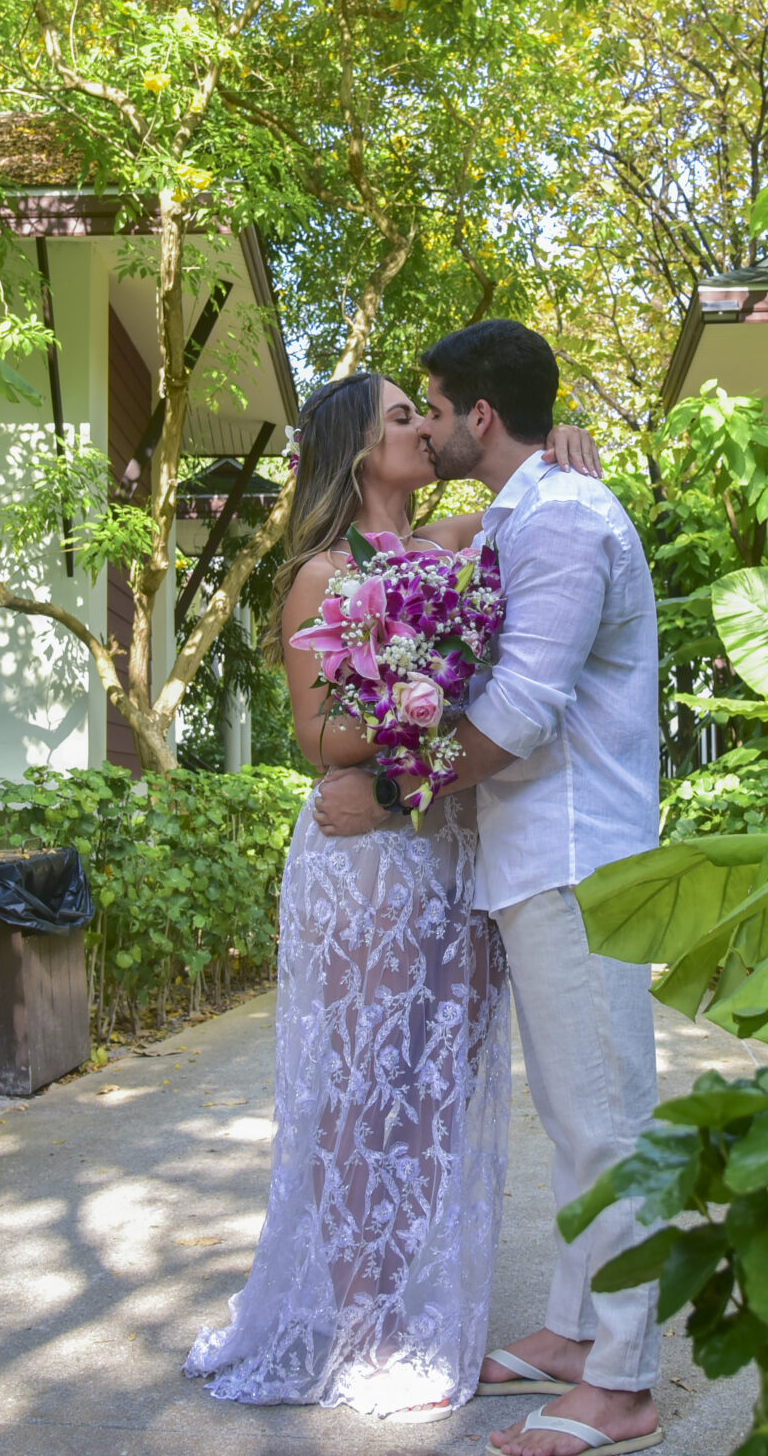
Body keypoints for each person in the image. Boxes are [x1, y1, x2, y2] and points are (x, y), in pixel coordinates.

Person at [184, 371, 604, 1424]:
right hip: (366, 857)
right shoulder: (320, 574)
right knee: (358, 1087)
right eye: (403, 417)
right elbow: (315, 734)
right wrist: (412, 711)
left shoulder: (452, 544)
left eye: (425, 412)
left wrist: (561, 436)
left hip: (454, 849)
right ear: (359, 450)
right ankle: (361, 1321)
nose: (424, 426)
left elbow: (522, 495)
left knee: (435, 1089)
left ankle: (403, 1294)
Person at [313, 320, 665, 1456]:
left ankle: (624, 1381)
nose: (424, 424)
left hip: (576, 856)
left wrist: (390, 793)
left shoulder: (562, 518)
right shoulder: (524, 513)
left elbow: (521, 710)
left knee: (606, 1118)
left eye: (432, 405)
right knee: (574, 1112)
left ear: (479, 414)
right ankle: (575, 1329)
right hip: (534, 856)